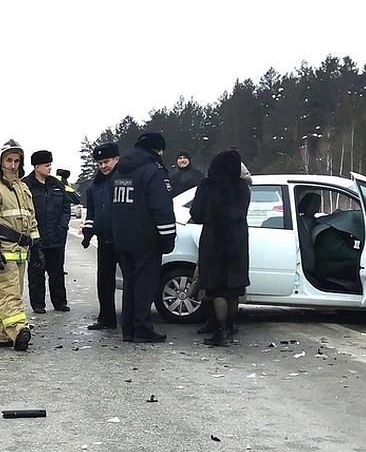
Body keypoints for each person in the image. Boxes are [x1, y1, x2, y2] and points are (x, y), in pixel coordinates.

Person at [110, 131, 176, 344]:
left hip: (122, 238)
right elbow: (161, 207)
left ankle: (128, 329)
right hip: (146, 239)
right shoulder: (154, 171)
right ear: (159, 149)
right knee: (145, 285)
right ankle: (142, 328)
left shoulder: (120, 171)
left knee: (130, 284)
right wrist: (168, 237)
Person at [0, 139, 39, 351]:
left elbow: (30, 217)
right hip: (3, 251)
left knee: (8, 295)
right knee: (8, 295)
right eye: (9, 160)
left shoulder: (22, 188)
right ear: (1, 161)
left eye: (17, 161)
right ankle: (19, 330)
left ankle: (0, 335)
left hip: (21, 252)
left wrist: (36, 245)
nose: (13, 165)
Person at [188, 149, 250, 345]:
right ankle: (230, 328)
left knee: (217, 289)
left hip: (215, 239)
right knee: (233, 289)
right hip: (238, 239)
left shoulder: (208, 186)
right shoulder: (242, 187)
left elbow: (196, 214)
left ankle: (220, 332)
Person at [25, 149, 81, 313]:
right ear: (36, 166)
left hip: (56, 237)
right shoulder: (26, 185)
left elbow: (66, 206)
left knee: (57, 272)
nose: (50, 168)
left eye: (50, 165)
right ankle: (38, 304)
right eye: (46, 165)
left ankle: (60, 302)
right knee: (36, 273)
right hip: (37, 237)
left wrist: (63, 227)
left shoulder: (56, 184)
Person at [81, 142, 121, 330]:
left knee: (129, 280)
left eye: (106, 162)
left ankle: (131, 317)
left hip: (124, 237)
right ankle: (106, 317)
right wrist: (88, 232)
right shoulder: (93, 187)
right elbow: (92, 213)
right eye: (99, 163)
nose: (103, 166)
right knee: (104, 281)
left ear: (116, 159)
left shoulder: (124, 180)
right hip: (104, 239)